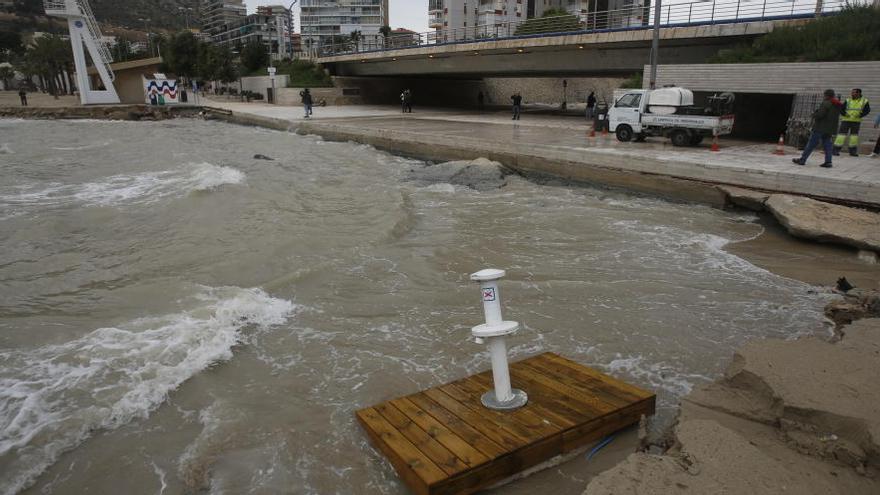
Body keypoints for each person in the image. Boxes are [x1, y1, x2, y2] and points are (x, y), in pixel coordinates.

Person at [792, 89, 839, 168]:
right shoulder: (837, 104)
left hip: (820, 128)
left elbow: (820, 115)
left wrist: (814, 114)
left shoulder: (826, 103)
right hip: (829, 129)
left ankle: (802, 160)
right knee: (828, 145)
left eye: (824, 95)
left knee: (811, 144)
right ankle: (828, 162)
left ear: (826, 95)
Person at [834, 88, 870, 157]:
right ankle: (835, 150)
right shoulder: (848, 100)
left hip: (856, 121)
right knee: (841, 136)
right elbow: (841, 108)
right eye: (852, 92)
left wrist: (860, 115)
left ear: (858, 93)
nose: (852, 94)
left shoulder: (864, 101)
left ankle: (853, 152)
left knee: (854, 137)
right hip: (846, 120)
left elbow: (867, 110)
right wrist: (844, 114)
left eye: (854, 93)